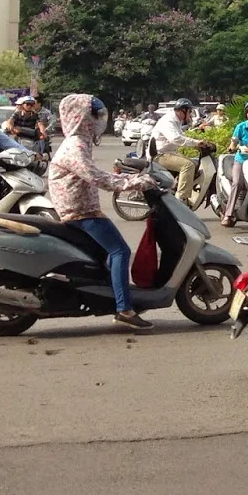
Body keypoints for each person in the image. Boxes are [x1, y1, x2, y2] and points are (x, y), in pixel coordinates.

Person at [48, 94, 155, 330]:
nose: (99, 121)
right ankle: (124, 309)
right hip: (80, 212)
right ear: (82, 118)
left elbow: (97, 173)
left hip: (83, 209)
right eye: (95, 116)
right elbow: (97, 178)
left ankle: (111, 297)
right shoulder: (75, 146)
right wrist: (134, 183)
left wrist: (128, 176)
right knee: (120, 251)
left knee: (107, 255)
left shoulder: (80, 143)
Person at [150, 98, 199, 203]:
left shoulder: (177, 121)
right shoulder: (169, 120)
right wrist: (196, 143)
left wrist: (197, 143)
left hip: (169, 153)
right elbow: (175, 138)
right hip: (160, 155)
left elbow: (181, 136)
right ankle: (180, 199)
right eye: (190, 111)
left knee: (195, 162)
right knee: (188, 165)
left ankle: (175, 187)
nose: (190, 114)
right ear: (183, 110)